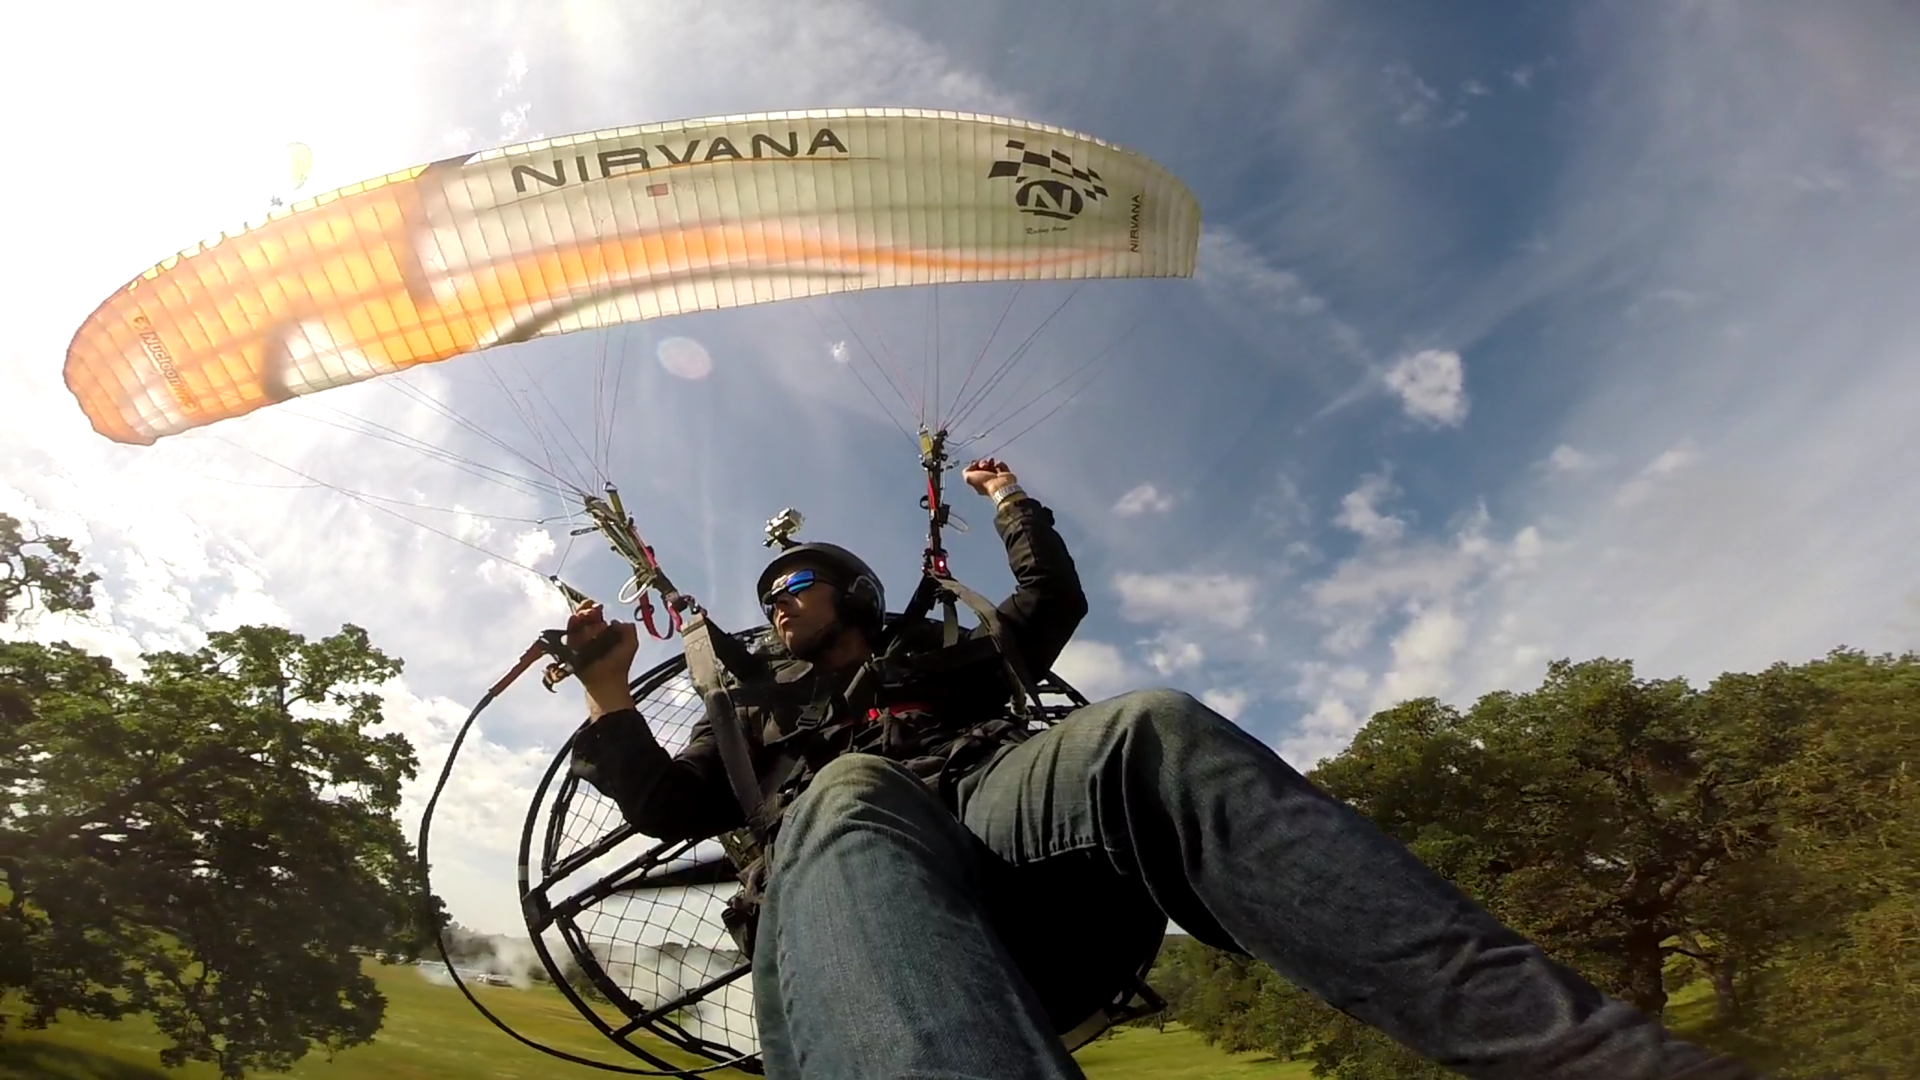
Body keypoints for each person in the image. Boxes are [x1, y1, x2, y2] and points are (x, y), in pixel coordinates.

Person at [564, 458, 1761, 1080]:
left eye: (796, 587)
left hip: (1015, 844)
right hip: (850, 883)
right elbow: (669, 807)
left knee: (1152, 727)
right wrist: (613, 693)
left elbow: (1048, 607)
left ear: (853, 599)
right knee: (852, 790)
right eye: (767, 596)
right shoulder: (750, 719)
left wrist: (1011, 504)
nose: (776, 607)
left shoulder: (941, 663)